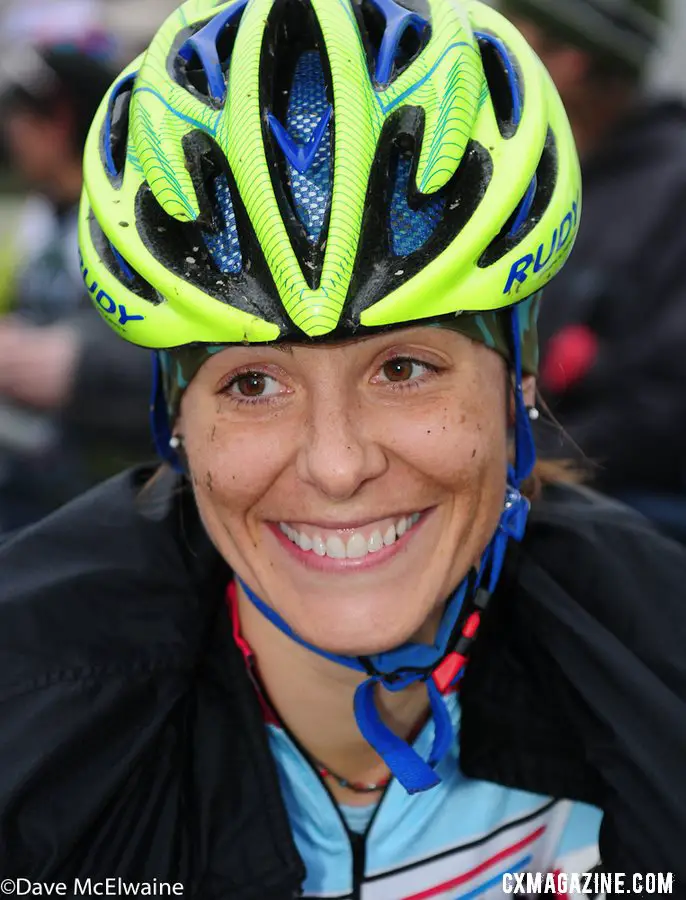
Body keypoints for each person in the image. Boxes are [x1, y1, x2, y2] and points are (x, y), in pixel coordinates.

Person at [1, 0, 685, 893]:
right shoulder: (27, 717)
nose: (335, 463)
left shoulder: (662, 658)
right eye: (251, 384)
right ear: (178, 419)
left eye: (404, 368)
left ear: (517, 386)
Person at [498, 0, 686, 542]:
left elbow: (665, 409)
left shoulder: (671, 192)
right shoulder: (527, 162)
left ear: (571, 59)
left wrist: (525, 460)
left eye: (517, 32)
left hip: (626, 515)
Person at [0, 44, 152, 531]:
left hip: (113, 489)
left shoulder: (135, 219)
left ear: (58, 121)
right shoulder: (37, 216)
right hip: (38, 465)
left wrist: (77, 367)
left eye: (20, 117)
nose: (11, 133)